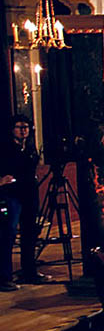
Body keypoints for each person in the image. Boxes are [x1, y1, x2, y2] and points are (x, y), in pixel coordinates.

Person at [0, 115, 44, 288]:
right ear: (13, 129)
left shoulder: (29, 147)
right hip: (12, 194)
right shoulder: (5, 148)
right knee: (8, 234)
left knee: (30, 233)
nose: (24, 130)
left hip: (29, 194)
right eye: (20, 127)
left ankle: (29, 272)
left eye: (27, 127)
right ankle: (4, 277)